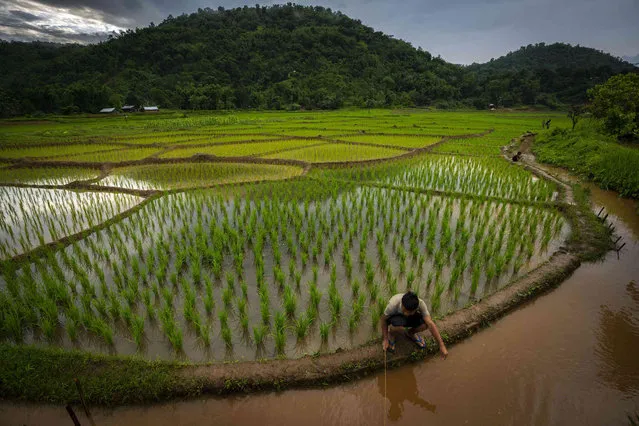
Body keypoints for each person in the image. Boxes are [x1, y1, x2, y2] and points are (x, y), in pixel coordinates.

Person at [380, 291, 448, 359]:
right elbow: (383, 320)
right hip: (397, 318)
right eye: (404, 310)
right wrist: (385, 338)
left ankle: (410, 333)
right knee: (397, 327)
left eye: (409, 312)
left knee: (425, 324)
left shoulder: (420, 304)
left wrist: (441, 345)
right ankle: (391, 335)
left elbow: (430, 323)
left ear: (415, 309)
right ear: (402, 304)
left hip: (410, 318)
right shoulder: (393, 304)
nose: (406, 313)